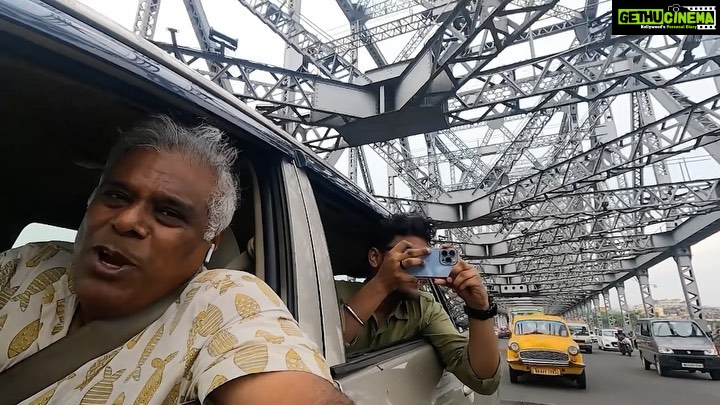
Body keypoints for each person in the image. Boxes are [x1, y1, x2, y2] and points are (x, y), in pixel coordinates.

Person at [0, 115, 352, 405]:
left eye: (168, 213)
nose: (126, 221)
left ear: (210, 241)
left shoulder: (222, 303)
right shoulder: (29, 262)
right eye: (117, 195)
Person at [339, 214, 501, 395]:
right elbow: (319, 351)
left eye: (425, 260)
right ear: (375, 257)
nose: (419, 267)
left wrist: (479, 309)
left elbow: (483, 380)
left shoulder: (425, 308)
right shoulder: (333, 292)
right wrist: (382, 284)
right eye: (410, 256)